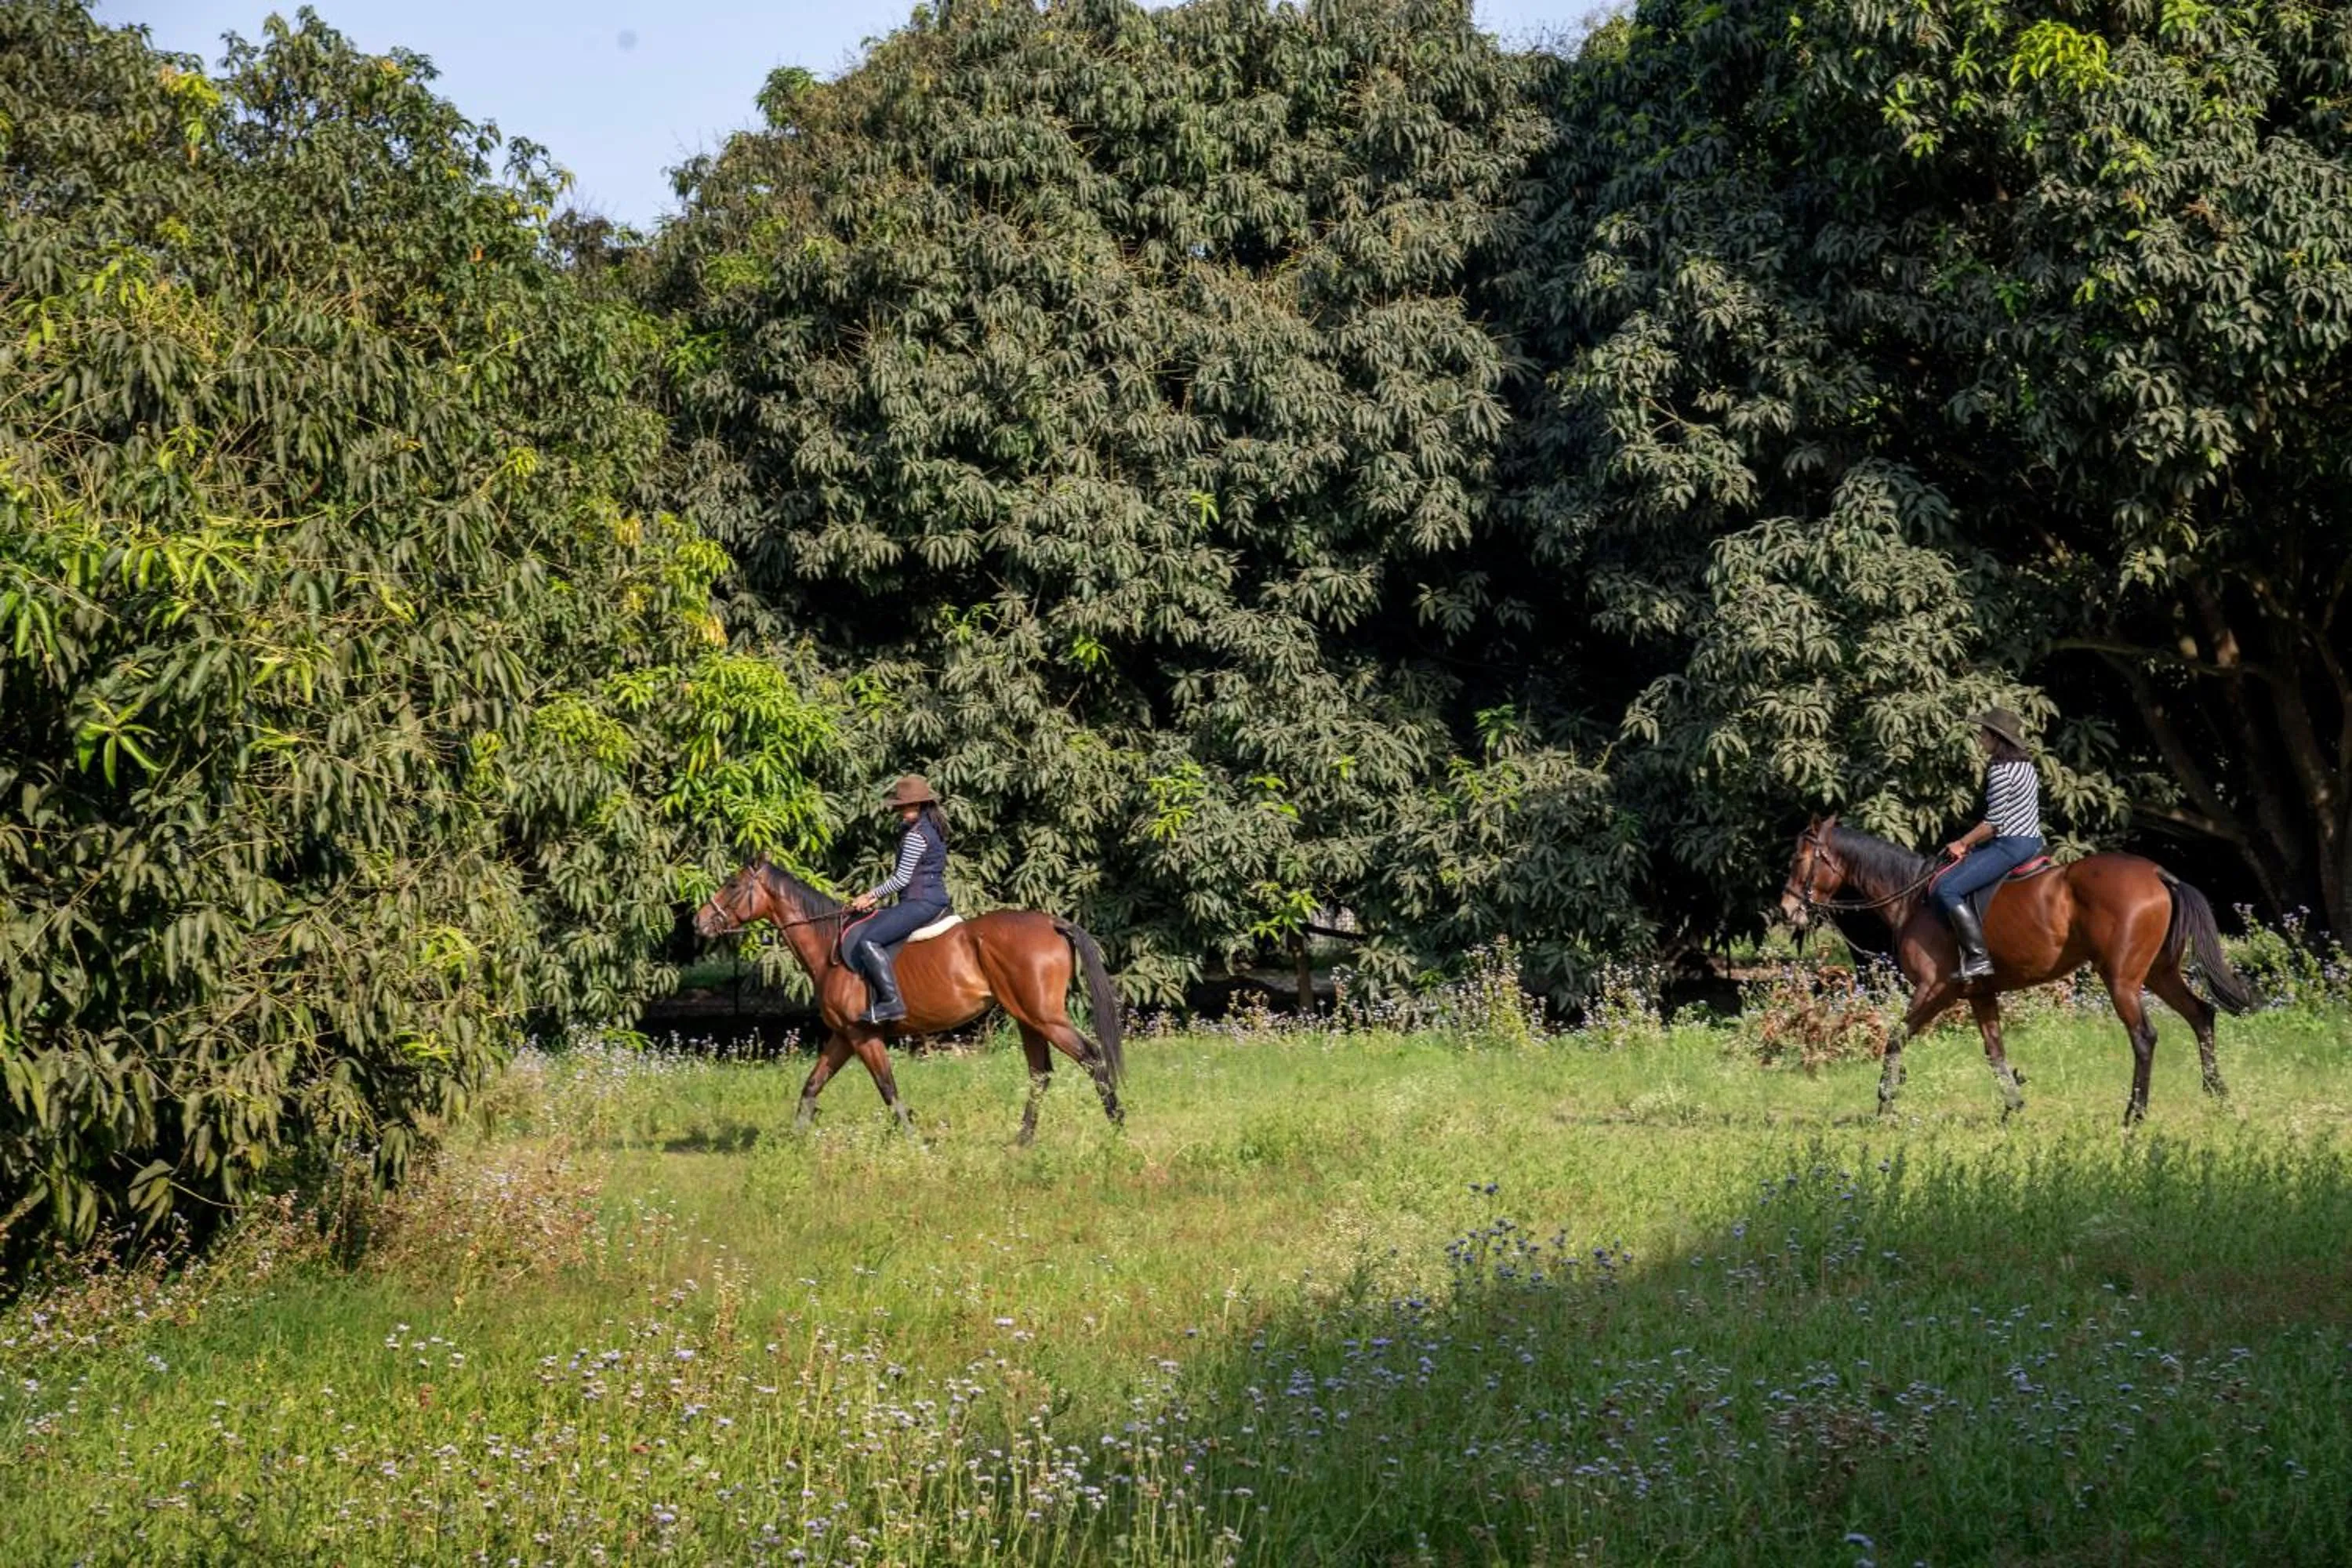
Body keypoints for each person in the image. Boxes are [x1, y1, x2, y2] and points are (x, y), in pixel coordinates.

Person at [1933, 707, 2045, 982]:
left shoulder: (2001, 771)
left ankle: (1978, 958)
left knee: (1946, 888)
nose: (1980, 738)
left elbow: (1992, 823)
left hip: (2011, 846)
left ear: (1997, 738)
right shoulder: (2026, 767)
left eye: (1984, 733)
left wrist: (1962, 843)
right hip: (2032, 841)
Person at [844, 774, 952, 1024]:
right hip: (931, 899)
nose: (903, 811)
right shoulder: (930, 828)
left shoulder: (916, 836)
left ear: (922, 805)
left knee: (869, 940)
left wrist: (869, 896)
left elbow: (901, 879)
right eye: (901, 806)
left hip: (921, 902)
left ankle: (891, 1003)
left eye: (908, 805)